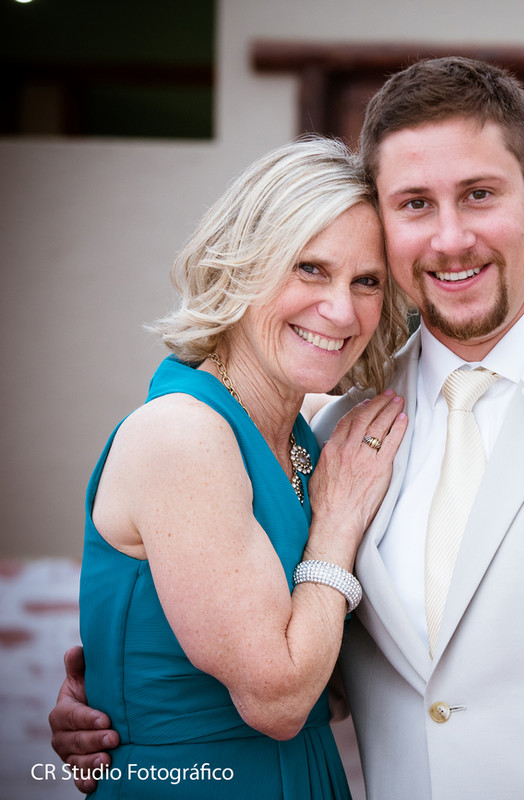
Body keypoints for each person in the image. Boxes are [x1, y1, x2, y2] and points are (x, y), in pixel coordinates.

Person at [53, 57, 524, 799]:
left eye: (479, 195)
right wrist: (125, 703)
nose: (450, 238)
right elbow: (325, 667)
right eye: (416, 204)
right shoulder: (346, 432)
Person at [57, 137, 410, 798]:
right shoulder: (181, 434)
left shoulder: (314, 431)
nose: (342, 310)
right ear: (243, 265)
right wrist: (336, 523)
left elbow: (327, 685)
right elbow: (279, 700)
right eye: (310, 268)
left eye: (367, 281)